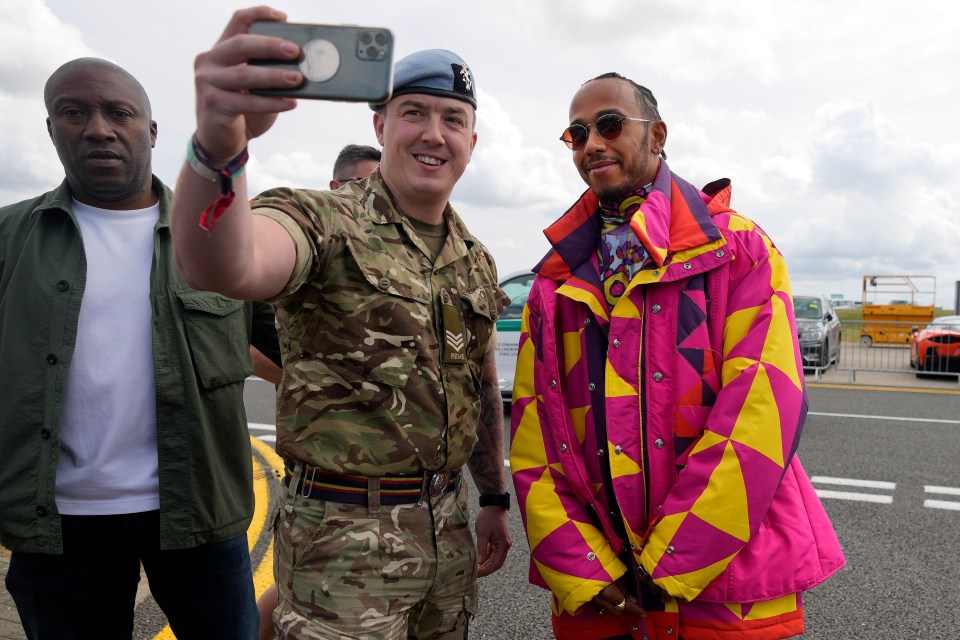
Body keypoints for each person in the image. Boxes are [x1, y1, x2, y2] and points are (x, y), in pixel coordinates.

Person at [169, 7, 512, 639]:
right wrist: (220, 141)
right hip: (341, 544)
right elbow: (223, 263)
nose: (434, 133)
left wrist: (493, 497)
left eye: (453, 119)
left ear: (472, 141)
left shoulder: (476, 260)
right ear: (380, 125)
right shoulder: (323, 220)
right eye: (414, 113)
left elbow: (483, 388)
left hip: (448, 530)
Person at [509, 72, 846, 640]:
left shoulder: (738, 251)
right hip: (601, 596)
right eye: (576, 133)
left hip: (725, 592)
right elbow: (534, 439)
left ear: (657, 135)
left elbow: (762, 413)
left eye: (610, 125)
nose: (592, 143)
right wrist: (585, 572)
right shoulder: (553, 282)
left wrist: (669, 564)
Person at [0, 57, 273, 638]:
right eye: (73, 113)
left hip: (199, 515)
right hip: (58, 526)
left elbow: (303, 352)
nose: (98, 128)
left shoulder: (222, 240)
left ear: (150, 132)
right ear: (51, 129)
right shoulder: (8, 240)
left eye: (118, 113)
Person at [254, 142, 380, 640]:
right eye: (363, 186)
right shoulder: (315, 251)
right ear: (336, 188)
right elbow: (247, 342)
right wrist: (316, 382)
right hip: (325, 478)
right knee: (293, 592)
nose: (373, 199)